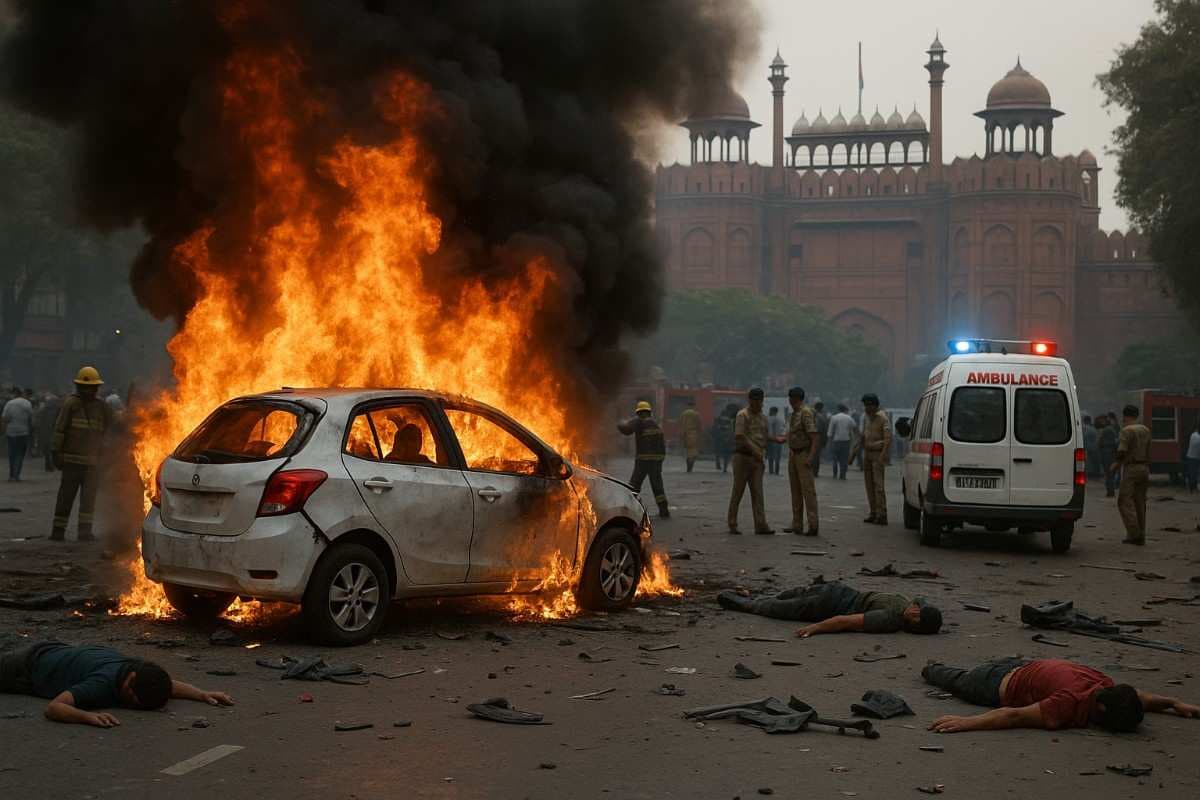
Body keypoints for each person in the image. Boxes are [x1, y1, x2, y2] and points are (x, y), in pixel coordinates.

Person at [922, 657, 1199, 733]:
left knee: (964, 673)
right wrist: (965, 722)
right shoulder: (1069, 703)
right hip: (992, 683)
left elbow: (1143, 698)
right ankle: (929, 667)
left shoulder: (1106, 685)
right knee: (952, 678)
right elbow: (1014, 715)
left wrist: (1174, 703)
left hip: (1025, 666)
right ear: (1100, 711)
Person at [0, 640, 234, 727]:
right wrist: (87, 716)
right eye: (131, 700)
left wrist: (202, 693)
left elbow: (168, 685)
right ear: (129, 681)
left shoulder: (137, 669)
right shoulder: (103, 683)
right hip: (25, 667)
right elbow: (54, 708)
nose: (130, 705)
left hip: (55, 652)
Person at [717, 580, 943, 637]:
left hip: (834, 594)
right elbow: (843, 621)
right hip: (829, 598)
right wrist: (815, 627)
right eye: (916, 610)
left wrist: (814, 628)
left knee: (781, 601)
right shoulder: (908, 607)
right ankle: (743, 600)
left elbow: (845, 621)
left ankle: (738, 599)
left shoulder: (890, 619)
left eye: (915, 618)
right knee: (774, 605)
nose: (912, 612)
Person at [50, 366, 115, 541]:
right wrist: (55, 452)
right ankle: (58, 531)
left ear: (96, 388)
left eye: (91, 387)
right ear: (78, 387)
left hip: (93, 463)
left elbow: (113, 430)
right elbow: (60, 430)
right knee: (66, 496)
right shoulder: (70, 404)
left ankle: (84, 532)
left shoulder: (103, 407)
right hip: (71, 461)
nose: (88, 391)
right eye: (84, 387)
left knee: (88, 500)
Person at [727, 387, 771, 535]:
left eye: (760, 401)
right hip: (742, 457)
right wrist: (755, 450)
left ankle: (761, 524)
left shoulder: (763, 417)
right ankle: (732, 523)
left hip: (757, 459)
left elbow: (764, 436)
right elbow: (740, 436)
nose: (758, 404)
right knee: (738, 491)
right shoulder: (742, 415)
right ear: (750, 400)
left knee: (758, 492)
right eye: (755, 401)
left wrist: (776, 439)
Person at [617, 401, 670, 518]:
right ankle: (664, 510)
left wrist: (619, 423)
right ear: (649, 412)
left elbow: (627, 430)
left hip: (643, 460)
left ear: (639, 413)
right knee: (657, 485)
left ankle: (626, 510)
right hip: (657, 460)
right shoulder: (655, 424)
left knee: (634, 485)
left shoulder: (639, 421)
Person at [1111, 403, 1151, 545]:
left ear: (1125, 416)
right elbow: (1148, 450)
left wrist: (1116, 465)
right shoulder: (1145, 429)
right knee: (1140, 502)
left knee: (1124, 501)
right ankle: (1141, 533)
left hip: (1131, 468)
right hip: (1144, 467)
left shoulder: (1126, 431)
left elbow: (1122, 450)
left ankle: (1134, 533)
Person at [850, 393, 892, 525]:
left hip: (877, 455)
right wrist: (854, 453)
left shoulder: (883, 418)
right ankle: (873, 512)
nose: (866, 408)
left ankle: (882, 514)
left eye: (868, 405)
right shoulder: (866, 418)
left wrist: (883, 456)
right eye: (865, 405)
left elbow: (888, 439)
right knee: (869, 485)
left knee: (878, 485)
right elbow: (863, 436)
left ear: (875, 405)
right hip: (867, 454)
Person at [783, 387, 819, 536]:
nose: (790, 401)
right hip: (793, 454)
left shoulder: (806, 412)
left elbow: (815, 437)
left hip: (803, 454)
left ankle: (813, 525)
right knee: (795, 491)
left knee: (808, 491)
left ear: (794, 398)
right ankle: (797, 524)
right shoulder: (793, 415)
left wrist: (810, 457)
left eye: (791, 398)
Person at [2, 387, 35, 481]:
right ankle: (17, 474)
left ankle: (11, 475)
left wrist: (4, 431)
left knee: (12, 453)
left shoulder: (9, 403)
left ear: (15, 394)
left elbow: (4, 419)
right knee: (20, 454)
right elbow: (31, 418)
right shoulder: (27, 403)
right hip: (23, 432)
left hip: (11, 432)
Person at [827, 403, 855, 480]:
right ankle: (843, 475)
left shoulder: (834, 418)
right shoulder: (849, 418)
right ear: (845, 410)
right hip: (846, 441)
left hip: (836, 441)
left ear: (838, 409)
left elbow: (830, 432)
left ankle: (835, 474)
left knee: (835, 459)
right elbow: (854, 427)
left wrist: (829, 443)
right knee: (844, 459)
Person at [36, 392, 62, 472]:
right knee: (53, 449)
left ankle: (48, 465)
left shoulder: (43, 410)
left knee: (47, 449)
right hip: (54, 431)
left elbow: (39, 421)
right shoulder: (59, 410)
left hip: (45, 432)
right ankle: (51, 464)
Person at [1097, 414, 1119, 497]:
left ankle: (1110, 491)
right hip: (1112, 453)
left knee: (1108, 473)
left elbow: (1099, 442)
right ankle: (1111, 490)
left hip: (1107, 454)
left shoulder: (1106, 430)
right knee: (1111, 473)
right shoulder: (1112, 429)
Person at [680, 399, 702, 473]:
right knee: (693, 452)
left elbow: (681, 424)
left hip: (685, 433)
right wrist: (700, 434)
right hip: (693, 434)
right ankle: (690, 468)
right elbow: (699, 425)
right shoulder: (696, 414)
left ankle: (688, 467)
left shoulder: (684, 413)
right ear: (693, 406)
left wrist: (682, 435)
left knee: (688, 451)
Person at [713, 403, 737, 473]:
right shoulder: (730, 417)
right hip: (726, 436)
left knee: (718, 450)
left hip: (719, 436)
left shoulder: (720, 416)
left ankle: (718, 462)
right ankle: (725, 467)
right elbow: (730, 428)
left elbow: (716, 425)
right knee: (726, 452)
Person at [812, 401, 830, 477]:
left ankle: (812, 472)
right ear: (821, 408)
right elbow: (825, 429)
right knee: (816, 456)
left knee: (812, 455)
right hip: (818, 439)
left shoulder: (811, 415)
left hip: (811, 438)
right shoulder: (822, 417)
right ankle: (815, 472)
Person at [765, 406, 784, 476]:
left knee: (771, 456)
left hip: (771, 440)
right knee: (778, 457)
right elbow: (782, 430)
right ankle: (777, 471)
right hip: (779, 440)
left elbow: (769, 431)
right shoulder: (780, 420)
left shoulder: (768, 419)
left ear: (772, 411)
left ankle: (771, 471)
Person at [1185, 419, 1200, 493]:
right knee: (1195, 473)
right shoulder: (1197, 437)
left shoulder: (1193, 435)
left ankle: (1190, 487)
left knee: (1191, 472)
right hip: (1195, 458)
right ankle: (1193, 487)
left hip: (1190, 456)